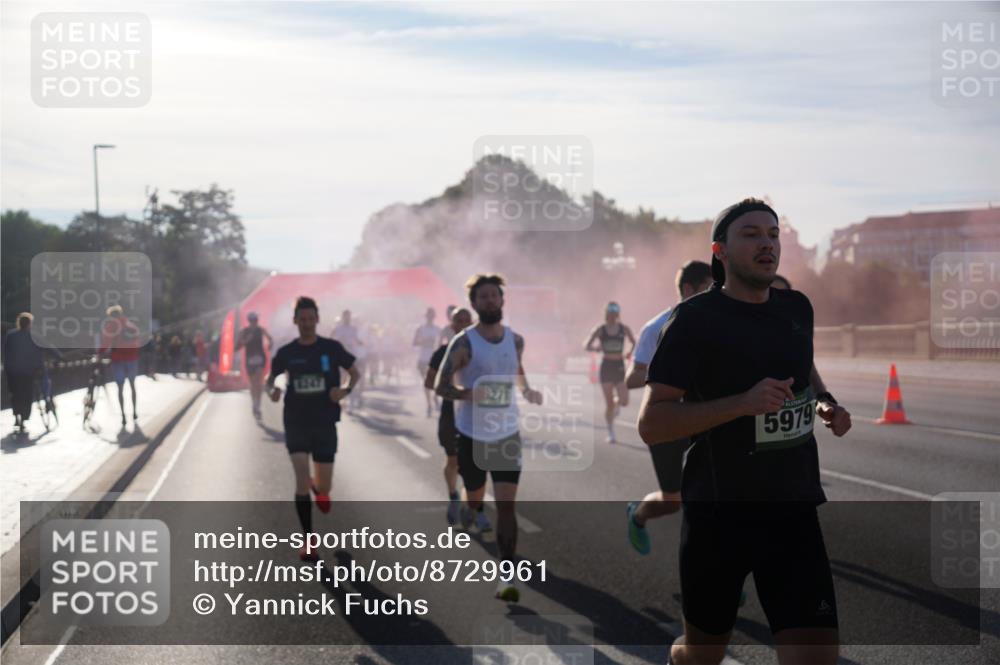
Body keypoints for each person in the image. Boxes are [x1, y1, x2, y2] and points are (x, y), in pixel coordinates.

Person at [638, 198, 852, 665]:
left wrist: (825, 403)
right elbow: (652, 424)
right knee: (702, 656)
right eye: (751, 234)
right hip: (720, 516)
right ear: (720, 250)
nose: (767, 243)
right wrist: (742, 403)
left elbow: (802, 370)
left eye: (773, 234)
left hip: (793, 508)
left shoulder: (797, 307)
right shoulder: (694, 319)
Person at [435, 274, 543, 602]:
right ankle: (471, 507)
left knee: (507, 506)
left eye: (494, 295)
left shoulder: (516, 340)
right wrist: (470, 394)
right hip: (471, 435)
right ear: (474, 303)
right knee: (475, 497)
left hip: (506, 433)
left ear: (502, 300)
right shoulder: (464, 343)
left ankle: (506, 576)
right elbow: (440, 385)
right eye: (483, 297)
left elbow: (516, 368)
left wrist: (527, 390)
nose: (490, 301)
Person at [624, 260, 713, 555]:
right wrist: (672, 374)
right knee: (672, 500)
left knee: (713, 491)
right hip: (667, 422)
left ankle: (719, 560)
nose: (714, 293)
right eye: (707, 288)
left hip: (705, 419)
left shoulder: (717, 321)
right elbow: (631, 378)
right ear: (688, 289)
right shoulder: (657, 327)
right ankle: (638, 515)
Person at [267, 296, 359, 562]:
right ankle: (308, 541)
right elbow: (271, 379)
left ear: (317, 320)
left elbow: (355, 372)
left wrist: (344, 391)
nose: (306, 323)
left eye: (310, 319)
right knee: (299, 479)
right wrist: (273, 390)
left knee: (325, 487)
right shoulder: (287, 352)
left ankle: (319, 489)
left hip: (325, 422)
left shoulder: (331, 348)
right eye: (302, 319)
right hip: (296, 420)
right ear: (295, 321)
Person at [424, 306, 473, 525]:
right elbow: (429, 382)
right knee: (453, 459)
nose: (462, 324)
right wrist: (453, 388)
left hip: (476, 413)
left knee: (475, 464)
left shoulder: (481, 350)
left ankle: (472, 506)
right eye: (458, 321)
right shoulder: (442, 353)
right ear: (452, 326)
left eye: (466, 320)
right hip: (450, 412)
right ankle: (454, 496)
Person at [583, 302, 635, 443]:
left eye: (615, 311)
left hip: (619, 366)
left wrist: (629, 352)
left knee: (624, 401)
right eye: (610, 311)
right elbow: (586, 345)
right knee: (609, 404)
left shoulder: (623, 328)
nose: (612, 314)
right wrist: (596, 349)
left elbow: (633, 341)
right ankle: (611, 432)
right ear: (606, 313)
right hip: (606, 367)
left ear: (618, 313)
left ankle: (617, 405)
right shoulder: (600, 329)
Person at [99, 305, 142, 427]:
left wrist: (100, 353)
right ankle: (134, 412)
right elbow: (138, 341)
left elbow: (106, 342)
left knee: (120, 388)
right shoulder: (130, 325)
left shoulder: (111, 326)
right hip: (132, 359)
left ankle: (123, 416)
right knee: (132, 386)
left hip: (118, 360)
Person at [4, 313, 45, 433]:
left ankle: (16, 415)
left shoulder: (10, 335)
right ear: (29, 324)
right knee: (27, 395)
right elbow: (41, 351)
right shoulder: (33, 336)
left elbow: (6, 353)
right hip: (28, 372)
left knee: (15, 394)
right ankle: (23, 418)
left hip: (12, 371)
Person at [236, 312, 274, 420]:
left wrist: (270, 345)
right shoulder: (244, 331)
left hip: (260, 358)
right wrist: (246, 340)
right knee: (253, 383)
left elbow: (270, 339)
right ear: (249, 321)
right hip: (249, 359)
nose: (254, 323)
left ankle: (258, 405)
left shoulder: (260, 330)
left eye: (255, 321)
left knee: (259, 381)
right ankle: (254, 403)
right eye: (252, 321)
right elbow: (237, 346)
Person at [332, 310, 366, 411]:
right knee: (341, 379)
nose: (347, 318)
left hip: (351, 357)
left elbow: (356, 340)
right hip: (340, 357)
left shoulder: (353, 329)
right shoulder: (338, 328)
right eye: (346, 316)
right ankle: (342, 400)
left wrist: (361, 343)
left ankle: (351, 403)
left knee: (353, 378)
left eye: (349, 316)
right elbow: (332, 338)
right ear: (343, 317)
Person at [413, 307, 441, 417]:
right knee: (426, 382)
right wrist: (424, 342)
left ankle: (435, 397)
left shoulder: (438, 329)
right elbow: (414, 343)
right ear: (426, 317)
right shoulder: (420, 329)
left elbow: (441, 343)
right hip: (423, 358)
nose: (430, 318)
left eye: (431, 316)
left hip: (434, 359)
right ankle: (429, 404)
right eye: (428, 316)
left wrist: (435, 344)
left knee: (435, 381)